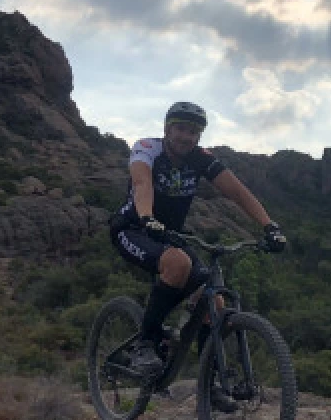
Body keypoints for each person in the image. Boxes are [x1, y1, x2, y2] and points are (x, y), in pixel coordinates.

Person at [109, 101, 286, 392]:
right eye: (180, 129)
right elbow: (142, 184)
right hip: (134, 228)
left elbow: (237, 192)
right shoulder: (146, 148)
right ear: (167, 129)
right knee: (179, 264)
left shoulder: (201, 159)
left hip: (171, 235)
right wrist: (147, 217)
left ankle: (212, 385)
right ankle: (145, 343)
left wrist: (269, 226)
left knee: (213, 303)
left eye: (193, 132)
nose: (186, 137)